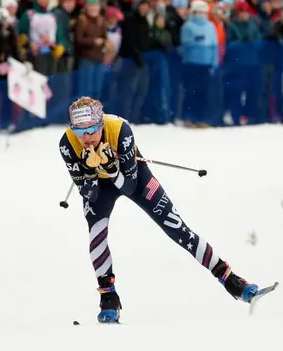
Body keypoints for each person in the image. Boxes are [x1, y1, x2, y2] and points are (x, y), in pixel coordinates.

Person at [58, 96, 260, 323]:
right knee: (96, 234)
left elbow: (129, 187)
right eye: (79, 131)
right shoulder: (68, 144)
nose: (85, 138)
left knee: (176, 228)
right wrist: (90, 169)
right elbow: (89, 195)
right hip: (99, 187)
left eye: (92, 130)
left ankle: (231, 280)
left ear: (101, 125)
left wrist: (112, 168)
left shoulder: (120, 130)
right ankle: (108, 298)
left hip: (132, 178)